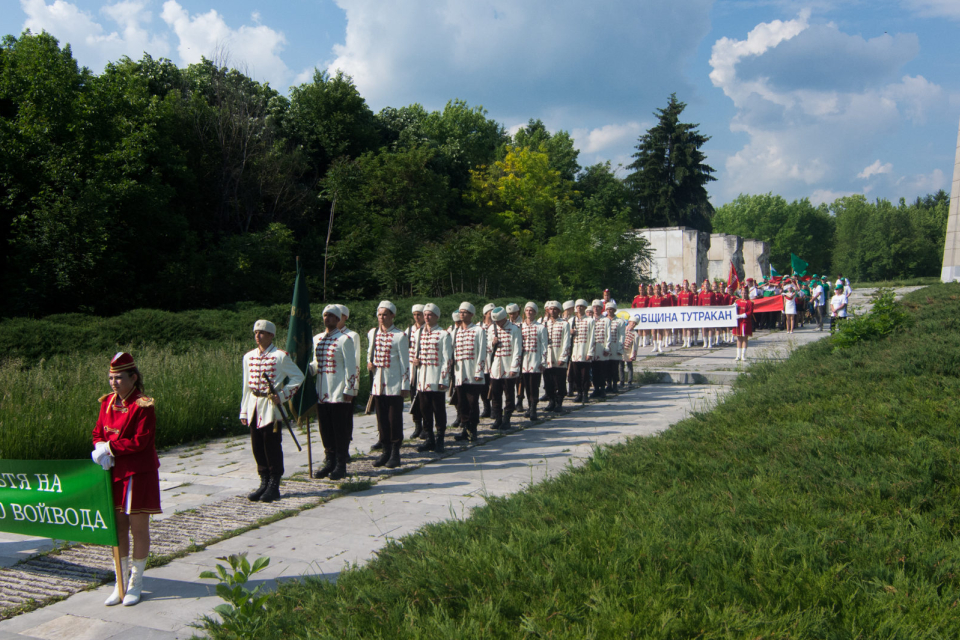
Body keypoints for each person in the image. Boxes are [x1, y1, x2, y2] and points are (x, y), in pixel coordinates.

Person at [92, 352, 160, 607]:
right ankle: (120, 582)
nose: (114, 383)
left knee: (138, 528)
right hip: (114, 473)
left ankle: (136, 583)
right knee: (117, 528)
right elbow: (98, 430)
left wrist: (109, 449)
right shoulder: (107, 402)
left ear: (133, 377)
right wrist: (99, 446)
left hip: (138, 474)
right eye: (111, 378)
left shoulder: (144, 405)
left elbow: (141, 441)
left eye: (119, 377)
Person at [240, 320, 305, 503]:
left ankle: (274, 485)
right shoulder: (248, 357)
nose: (258, 336)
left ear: (271, 335)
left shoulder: (280, 356)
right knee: (257, 445)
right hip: (254, 404)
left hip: (271, 408)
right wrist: (244, 411)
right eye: (256, 332)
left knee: (272, 446)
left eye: (262, 333)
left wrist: (282, 395)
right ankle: (264, 481)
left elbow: (298, 377)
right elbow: (246, 386)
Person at [309, 305, 358, 480]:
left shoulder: (345, 339)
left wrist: (350, 389)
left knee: (340, 429)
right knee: (325, 428)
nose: (327, 318)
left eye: (331, 316)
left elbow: (351, 367)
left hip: (338, 391)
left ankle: (340, 463)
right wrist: (307, 369)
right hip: (322, 391)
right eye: (324, 315)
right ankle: (329, 461)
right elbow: (317, 363)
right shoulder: (318, 339)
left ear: (338, 319)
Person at [367, 301, 410, 469]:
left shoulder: (400, 335)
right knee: (381, 419)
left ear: (392, 315)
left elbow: (404, 362)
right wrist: (369, 363)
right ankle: (384, 450)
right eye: (379, 314)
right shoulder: (373, 333)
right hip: (378, 383)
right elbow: (370, 352)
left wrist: (405, 385)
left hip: (394, 383)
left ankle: (395, 452)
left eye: (385, 314)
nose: (381, 317)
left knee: (394, 419)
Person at [411, 303, 452, 453]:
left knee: (438, 410)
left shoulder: (443, 334)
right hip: (422, 379)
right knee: (424, 410)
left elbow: (447, 359)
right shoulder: (418, 333)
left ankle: (440, 439)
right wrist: (415, 362)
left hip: (436, 378)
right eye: (425, 314)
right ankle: (429, 439)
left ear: (436, 316)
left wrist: (443, 380)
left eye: (430, 315)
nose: (427, 317)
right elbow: (415, 354)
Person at [453, 302, 487, 442]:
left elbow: (482, 352)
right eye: (461, 312)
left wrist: (479, 371)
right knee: (461, 402)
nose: (462, 314)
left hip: (473, 373)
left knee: (473, 402)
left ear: (472, 314)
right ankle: (464, 428)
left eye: (465, 312)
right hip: (459, 373)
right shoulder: (455, 331)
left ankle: (473, 429)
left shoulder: (478, 330)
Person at [487, 306, 522, 429]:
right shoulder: (491, 329)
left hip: (509, 366)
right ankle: (497, 418)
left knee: (509, 394)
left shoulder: (514, 329)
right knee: (495, 394)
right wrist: (492, 343)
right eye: (496, 322)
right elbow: (487, 349)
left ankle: (507, 418)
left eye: (500, 321)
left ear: (505, 318)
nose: (498, 324)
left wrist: (514, 367)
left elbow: (517, 349)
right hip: (496, 367)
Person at [335, 305, 361, 451]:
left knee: (345, 418)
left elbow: (355, 361)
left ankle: (345, 448)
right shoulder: (324, 336)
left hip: (347, 383)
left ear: (346, 317)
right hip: (330, 385)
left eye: (340, 316)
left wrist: (353, 386)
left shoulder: (352, 335)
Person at [519, 302, 547, 420]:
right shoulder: (520, 327)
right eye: (527, 310)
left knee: (534, 385)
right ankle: (530, 406)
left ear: (535, 313)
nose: (529, 313)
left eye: (531, 311)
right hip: (524, 360)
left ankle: (534, 408)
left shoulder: (541, 327)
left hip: (535, 360)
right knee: (526, 385)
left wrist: (543, 361)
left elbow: (544, 346)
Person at [542, 301, 571, 412]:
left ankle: (559, 402)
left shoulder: (564, 324)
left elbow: (566, 341)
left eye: (555, 309)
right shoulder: (545, 323)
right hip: (548, 357)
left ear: (559, 311)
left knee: (559, 380)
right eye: (551, 309)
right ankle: (551, 400)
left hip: (558, 355)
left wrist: (563, 357)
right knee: (548, 380)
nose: (552, 311)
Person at [406, 305, 426, 439]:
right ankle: (417, 425)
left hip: (424, 368)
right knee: (414, 397)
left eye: (419, 314)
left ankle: (426, 426)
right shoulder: (409, 330)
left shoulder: (427, 329)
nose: (417, 317)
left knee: (424, 398)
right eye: (415, 314)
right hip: (412, 369)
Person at [569, 299, 595, 403]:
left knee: (585, 375)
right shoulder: (571, 321)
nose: (579, 308)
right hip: (574, 351)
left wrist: (590, 352)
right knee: (576, 374)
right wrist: (570, 332)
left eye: (581, 306)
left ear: (585, 308)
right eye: (578, 306)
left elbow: (592, 337)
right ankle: (579, 393)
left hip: (585, 350)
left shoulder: (590, 321)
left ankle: (585, 393)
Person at [590, 300, 613, 397]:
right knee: (594, 370)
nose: (596, 309)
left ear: (601, 308)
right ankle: (595, 388)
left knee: (602, 370)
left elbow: (609, 335)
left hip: (602, 348)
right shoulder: (589, 320)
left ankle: (602, 389)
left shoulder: (606, 320)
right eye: (594, 307)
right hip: (592, 349)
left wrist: (607, 347)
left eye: (598, 307)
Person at [733, 284, 755, 361]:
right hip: (738, 323)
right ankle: (738, 355)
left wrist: (742, 315)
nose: (743, 294)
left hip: (745, 322)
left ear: (747, 293)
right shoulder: (737, 301)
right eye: (742, 292)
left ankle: (743, 355)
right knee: (739, 338)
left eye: (745, 292)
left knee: (745, 338)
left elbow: (750, 312)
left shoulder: (750, 302)